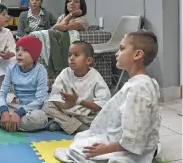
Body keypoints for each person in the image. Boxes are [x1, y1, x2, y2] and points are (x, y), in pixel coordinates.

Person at [54, 31, 161, 163]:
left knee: (76, 151)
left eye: (121, 48)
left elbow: (133, 139)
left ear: (137, 54)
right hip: (128, 140)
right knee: (82, 139)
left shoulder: (138, 90)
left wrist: (105, 149)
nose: (117, 53)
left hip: (133, 150)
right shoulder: (143, 83)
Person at [0, 35, 48, 132]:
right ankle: (12, 122)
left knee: (39, 118)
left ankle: (0, 123)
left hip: (33, 109)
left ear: (34, 54)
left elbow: (39, 100)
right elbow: (1, 94)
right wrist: (4, 111)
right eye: (17, 49)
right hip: (15, 107)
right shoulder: (11, 68)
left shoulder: (41, 70)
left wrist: (19, 113)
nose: (19, 53)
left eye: (25, 50)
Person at [43, 41, 111, 135]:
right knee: (47, 106)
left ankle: (64, 124)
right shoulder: (65, 73)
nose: (71, 58)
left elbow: (102, 105)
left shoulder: (95, 77)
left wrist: (77, 101)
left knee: (107, 117)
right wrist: (67, 105)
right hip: (68, 111)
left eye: (76, 55)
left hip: (87, 115)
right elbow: (54, 96)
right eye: (69, 55)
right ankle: (79, 128)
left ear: (88, 60)